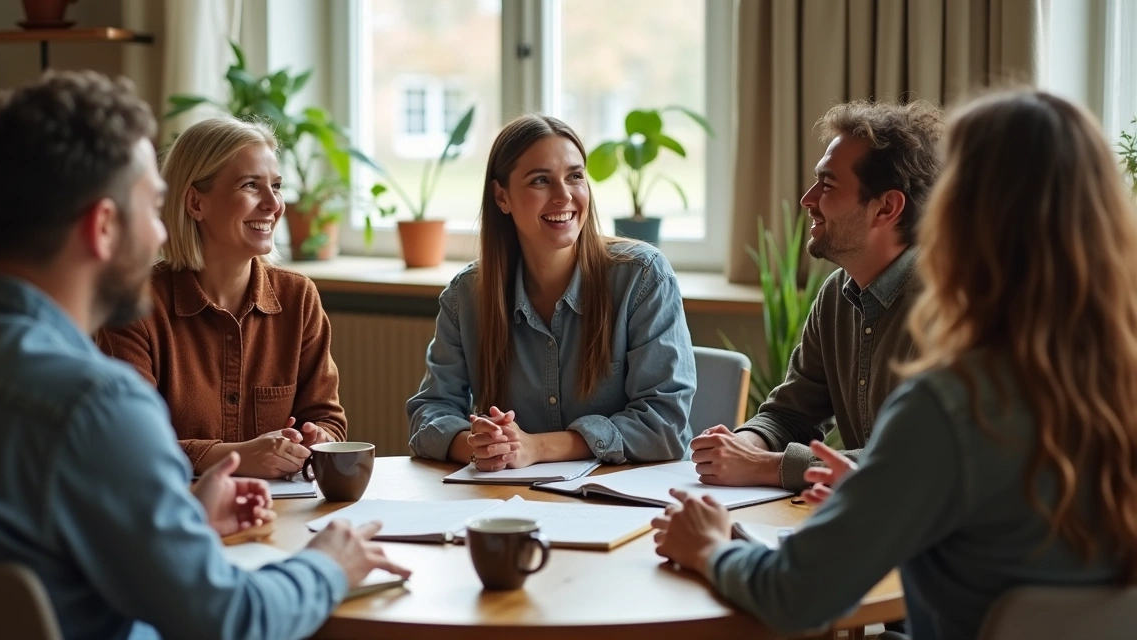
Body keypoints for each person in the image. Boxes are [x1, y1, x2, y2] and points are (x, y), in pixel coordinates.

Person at [0, 70, 407, 640]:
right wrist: (329, 564)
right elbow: (230, 621)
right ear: (105, 226)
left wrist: (183, 517)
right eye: (153, 207)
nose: (160, 232)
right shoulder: (98, 404)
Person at [654, 89, 1137, 640]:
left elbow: (794, 596)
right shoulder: (1111, 376)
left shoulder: (950, 404)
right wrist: (878, 482)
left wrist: (710, 546)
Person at [407, 114, 696, 470]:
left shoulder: (643, 277)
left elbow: (665, 425)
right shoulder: (466, 296)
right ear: (502, 196)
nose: (564, 196)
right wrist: (482, 445)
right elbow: (429, 412)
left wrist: (537, 447)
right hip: (514, 496)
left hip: (629, 495)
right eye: (540, 180)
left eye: (575, 176)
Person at [691, 100, 944, 490]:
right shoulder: (836, 296)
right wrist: (741, 445)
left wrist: (765, 466)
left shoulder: (949, 307)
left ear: (886, 208)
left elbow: (918, 459)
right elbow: (789, 416)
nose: (807, 199)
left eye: (827, 185)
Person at [98, 117, 347, 479]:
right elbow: (127, 443)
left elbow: (328, 419)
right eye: (251, 185)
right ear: (195, 203)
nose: (273, 204)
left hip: (281, 506)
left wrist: (317, 438)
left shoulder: (298, 298)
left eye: (276, 186)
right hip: (173, 506)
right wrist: (236, 457)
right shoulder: (134, 305)